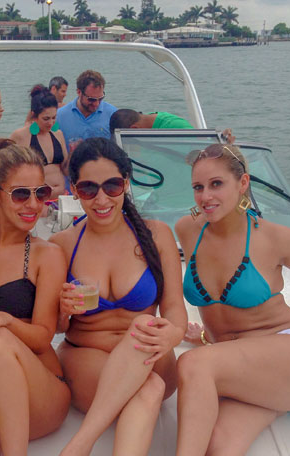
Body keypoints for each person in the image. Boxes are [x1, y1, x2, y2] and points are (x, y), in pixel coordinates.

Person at [174, 144, 290, 455]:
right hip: (243, 367)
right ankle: (271, 400)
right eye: (198, 187)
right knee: (218, 446)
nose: (205, 196)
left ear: (243, 183)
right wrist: (203, 336)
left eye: (217, 184)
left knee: (192, 365)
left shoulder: (273, 237)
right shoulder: (187, 229)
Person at [50, 137, 187, 456]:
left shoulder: (156, 235)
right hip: (88, 357)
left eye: (111, 186)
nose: (101, 198)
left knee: (143, 327)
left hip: (150, 352)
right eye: (88, 189)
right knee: (149, 387)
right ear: (74, 189)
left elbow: (174, 308)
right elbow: (55, 328)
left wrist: (174, 334)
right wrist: (64, 311)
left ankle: (79, 445)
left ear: (125, 183)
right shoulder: (62, 244)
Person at [0, 139, 71, 456]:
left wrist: (5, 320)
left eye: (41, 193)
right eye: (21, 194)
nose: (33, 205)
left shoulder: (47, 255)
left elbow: (43, 337)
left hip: (41, 387)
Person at [10, 84, 69, 200]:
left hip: (61, 197)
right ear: (33, 115)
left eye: (54, 117)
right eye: (46, 119)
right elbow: (10, 171)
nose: (51, 123)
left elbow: (66, 167)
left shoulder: (58, 134)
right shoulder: (20, 136)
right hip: (36, 200)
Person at [56, 70, 118, 152]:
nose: (96, 104)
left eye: (100, 99)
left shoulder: (113, 115)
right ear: (79, 92)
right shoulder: (59, 117)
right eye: (91, 99)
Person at [108, 109, 236, 144]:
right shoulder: (149, 124)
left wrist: (224, 143)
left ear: (134, 130)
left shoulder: (174, 127)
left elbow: (205, 150)